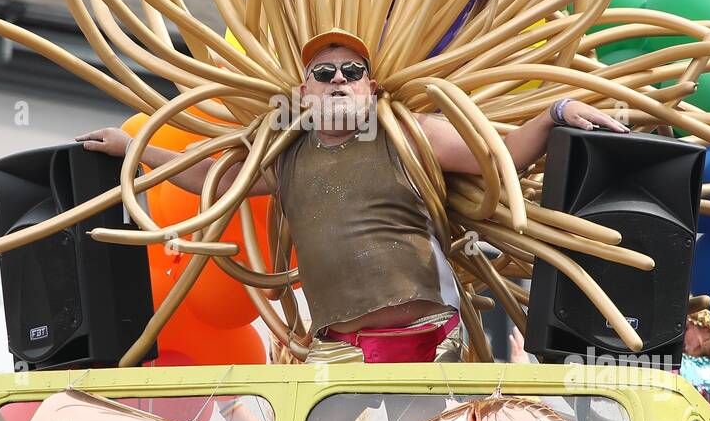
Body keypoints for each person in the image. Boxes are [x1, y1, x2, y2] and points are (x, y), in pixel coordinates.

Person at [79, 28, 627, 366]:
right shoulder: (286, 154)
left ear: (371, 87)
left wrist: (553, 114)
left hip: (425, 336)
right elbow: (216, 180)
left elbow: (500, 157)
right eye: (324, 72)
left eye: (352, 72)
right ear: (303, 93)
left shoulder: (411, 133)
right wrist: (135, 149)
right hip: (336, 347)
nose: (339, 79)